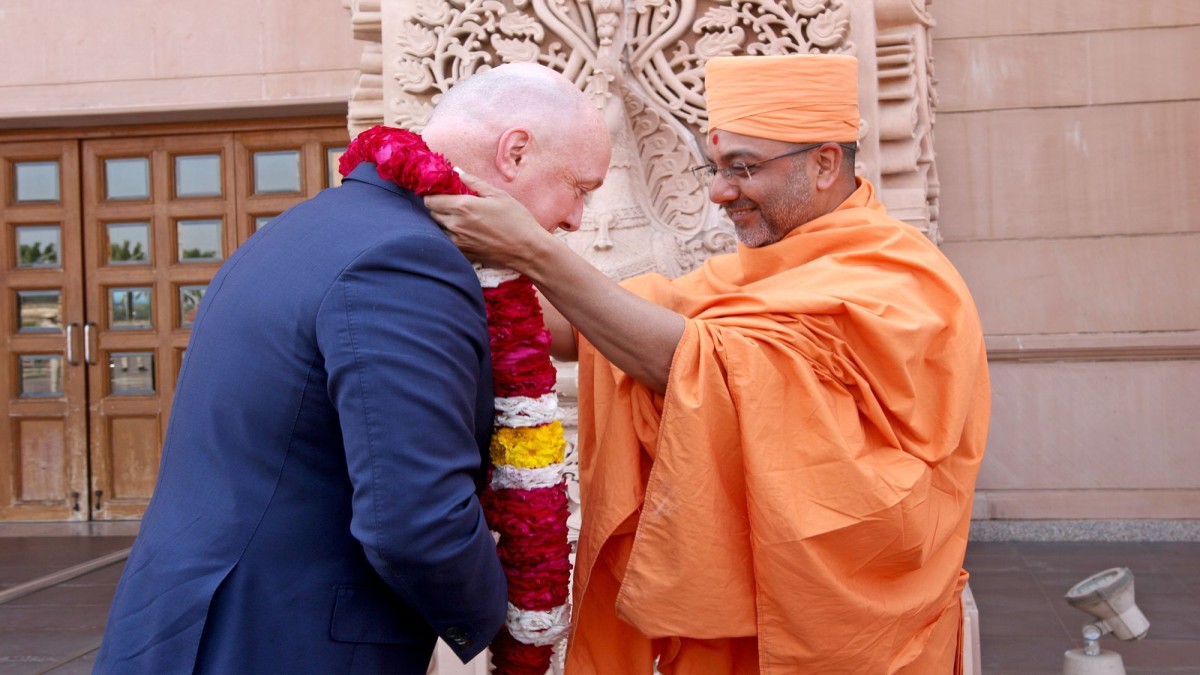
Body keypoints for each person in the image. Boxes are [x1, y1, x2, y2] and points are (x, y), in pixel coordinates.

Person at [427, 54, 991, 673]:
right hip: (738, 609)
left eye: (743, 168)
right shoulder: (759, 270)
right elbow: (587, 330)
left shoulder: (903, 283)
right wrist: (447, 243)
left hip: (854, 627)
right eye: (716, 168)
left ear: (826, 163)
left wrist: (533, 251)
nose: (721, 192)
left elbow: (704, 369)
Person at [93, 63, 611, 674]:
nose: (577, 219)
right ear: (516, 152)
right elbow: (416, 521)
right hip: (280, 641)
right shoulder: (406, 259)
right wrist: (511, 614)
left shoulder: (315, 225)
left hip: (192, 624)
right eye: (579, 187)